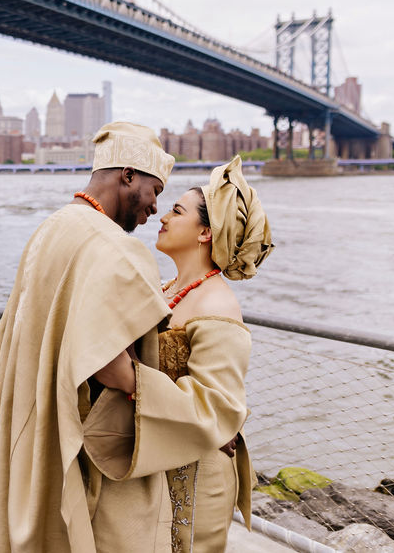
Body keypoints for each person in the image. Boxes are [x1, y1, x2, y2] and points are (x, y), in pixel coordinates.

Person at [0, 122, 221, 553]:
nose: (154, 208)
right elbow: (110, 366)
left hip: (32, 421)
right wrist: (201, 419)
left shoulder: (53, 227)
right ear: (128, 175)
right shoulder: (117, 247)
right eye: (154, 190)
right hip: (84, 443)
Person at [154, 155, 273, 552]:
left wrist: (127, 378)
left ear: (205, 232)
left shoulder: (218, 305)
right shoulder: (166, 288)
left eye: (176, 210)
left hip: (196, 477)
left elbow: (216, 405)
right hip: (156, 459)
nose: (162, 216)